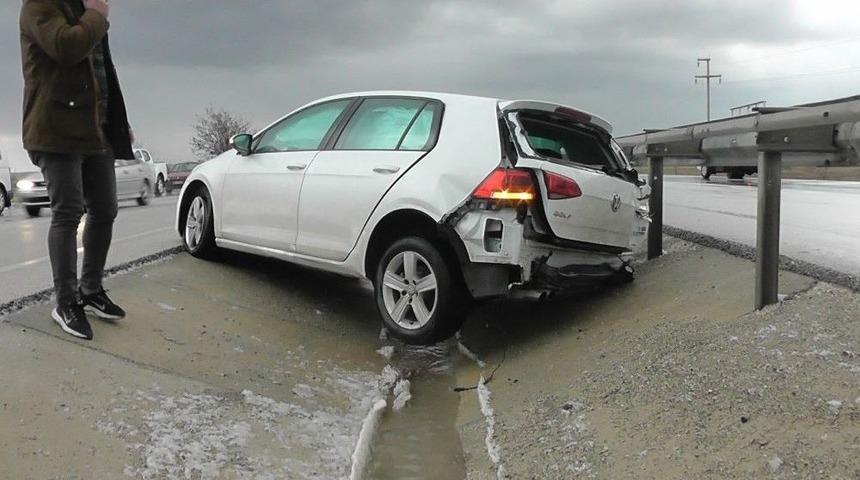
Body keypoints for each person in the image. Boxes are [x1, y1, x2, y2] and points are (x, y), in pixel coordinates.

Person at [20, 0, 134, 340]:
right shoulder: (39, 5)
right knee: (68, 213)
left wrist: (118, 122)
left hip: (95, 128)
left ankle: (91, 289)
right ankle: (66, 302)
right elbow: (66, 47)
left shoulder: (84, 8)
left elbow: (101, 71)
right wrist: (97, 14)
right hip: (55, 129)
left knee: (105, 209)